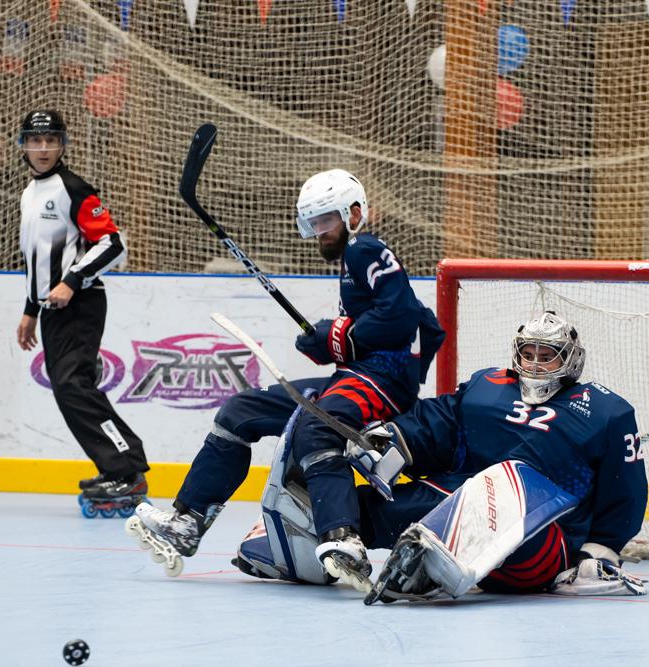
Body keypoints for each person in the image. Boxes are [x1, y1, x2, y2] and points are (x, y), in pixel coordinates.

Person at [148, 311, 645, 601]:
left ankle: (427, 561)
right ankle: (300, 546)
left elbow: (626, 492)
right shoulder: (487, 387)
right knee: (386, 509)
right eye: (529, 353)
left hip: (537, 540)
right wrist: (391, 441)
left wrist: (600, 550)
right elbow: (439, 423)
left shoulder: (604, 410)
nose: (536, 363)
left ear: (570, 359)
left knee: (497, 482)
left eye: (548, 355)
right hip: (449, 499)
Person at [128, 168, 445, 565]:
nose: (320, 231)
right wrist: (333, 345)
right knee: (240, 411)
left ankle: (344, 537)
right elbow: (417, 329)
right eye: (313, 223)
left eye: (327, 220)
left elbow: (403, 318)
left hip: (380, 382)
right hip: (358, 376)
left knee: (318, 426)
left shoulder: (364, 248)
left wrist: (341, 337)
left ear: (355, 213)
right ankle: (188, 520)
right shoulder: (352, 260)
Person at [14, 109, 149, 517]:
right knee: (70, 391)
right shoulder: (29, 193)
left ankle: (126, 471)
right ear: (23, 145)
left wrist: (72, 280)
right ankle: (119, 467)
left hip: (81, 303)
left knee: (75, 386)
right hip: (52, 308)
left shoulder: (73, 189)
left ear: (62, 143)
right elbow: (36, 260)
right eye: (35, 141)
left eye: (50, 140)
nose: (42, 148)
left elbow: (111, 244)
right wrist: (29, 311)